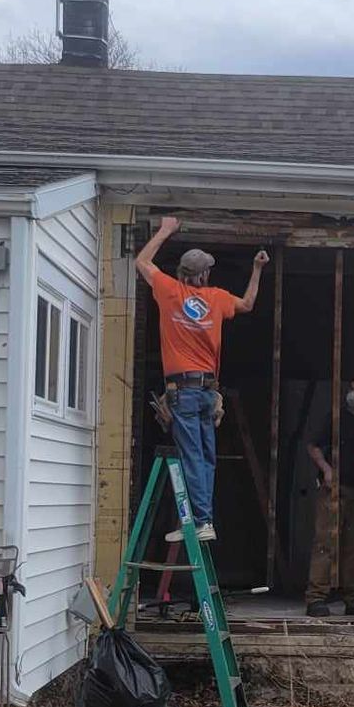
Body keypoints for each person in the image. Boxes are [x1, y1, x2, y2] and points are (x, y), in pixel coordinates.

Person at [134, 215, 267, 542]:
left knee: (192, 456)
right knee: (206, 458)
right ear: (204, 274)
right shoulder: (217, 298)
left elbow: (141, 261)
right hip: (208, 392)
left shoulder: (169, 291)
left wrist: (165, 230)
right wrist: (257, 268)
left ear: (182, 273)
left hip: (184, 391)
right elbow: (248, 304)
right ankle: (202, 520)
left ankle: (201, 521)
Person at [305, 379, 354, 616]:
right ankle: (316, 598)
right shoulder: (336, 419)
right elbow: (313, 446)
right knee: (325, 543)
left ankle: (353, 598)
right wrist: (327, 470)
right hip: (333, 490)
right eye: (351, 388)